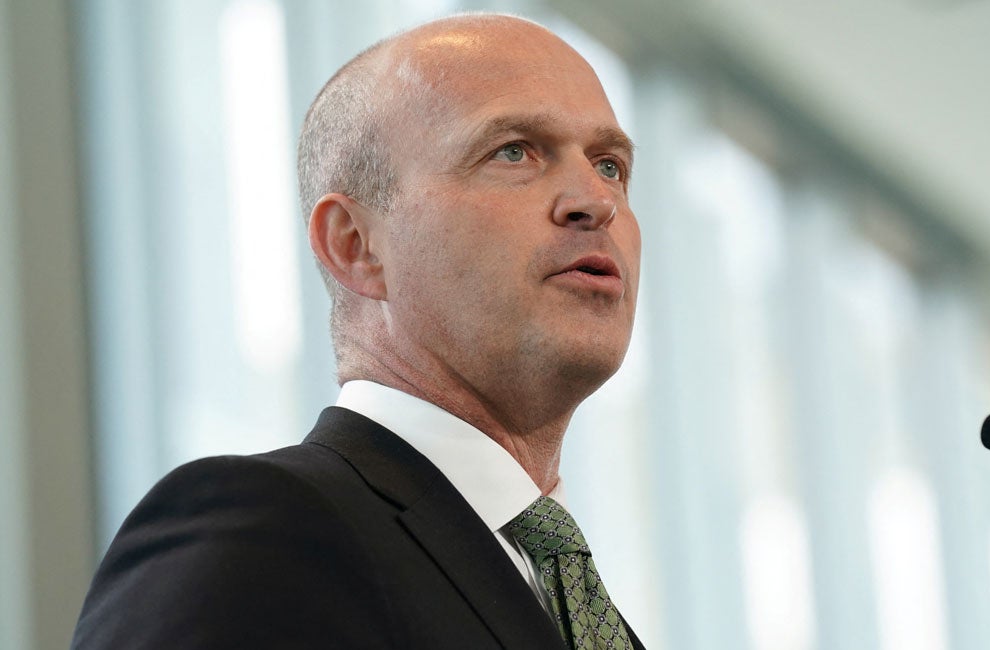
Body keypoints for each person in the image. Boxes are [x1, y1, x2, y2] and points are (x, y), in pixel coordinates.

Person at [71, 12, 645, 650]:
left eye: (610, 165)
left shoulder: (580, 608)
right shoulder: (264, 532)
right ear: (355, 245)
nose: (597, 201)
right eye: (513, 151)